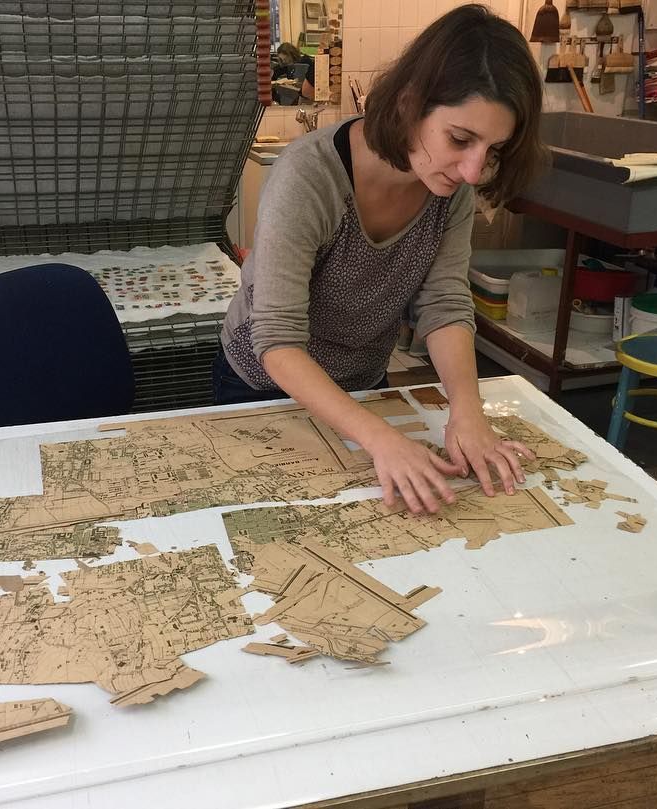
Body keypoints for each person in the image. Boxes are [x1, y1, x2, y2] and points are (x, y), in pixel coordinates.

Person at [214, 5, 546, 515]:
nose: (474, 170)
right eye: (460, 139)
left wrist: (468, 412)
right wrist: (381, 439)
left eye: (493, 149)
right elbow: (277, 339)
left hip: (364, 382)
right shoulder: (310, 177)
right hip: (262, 387)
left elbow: (445, 304)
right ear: (410, 105)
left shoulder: (449, 188)